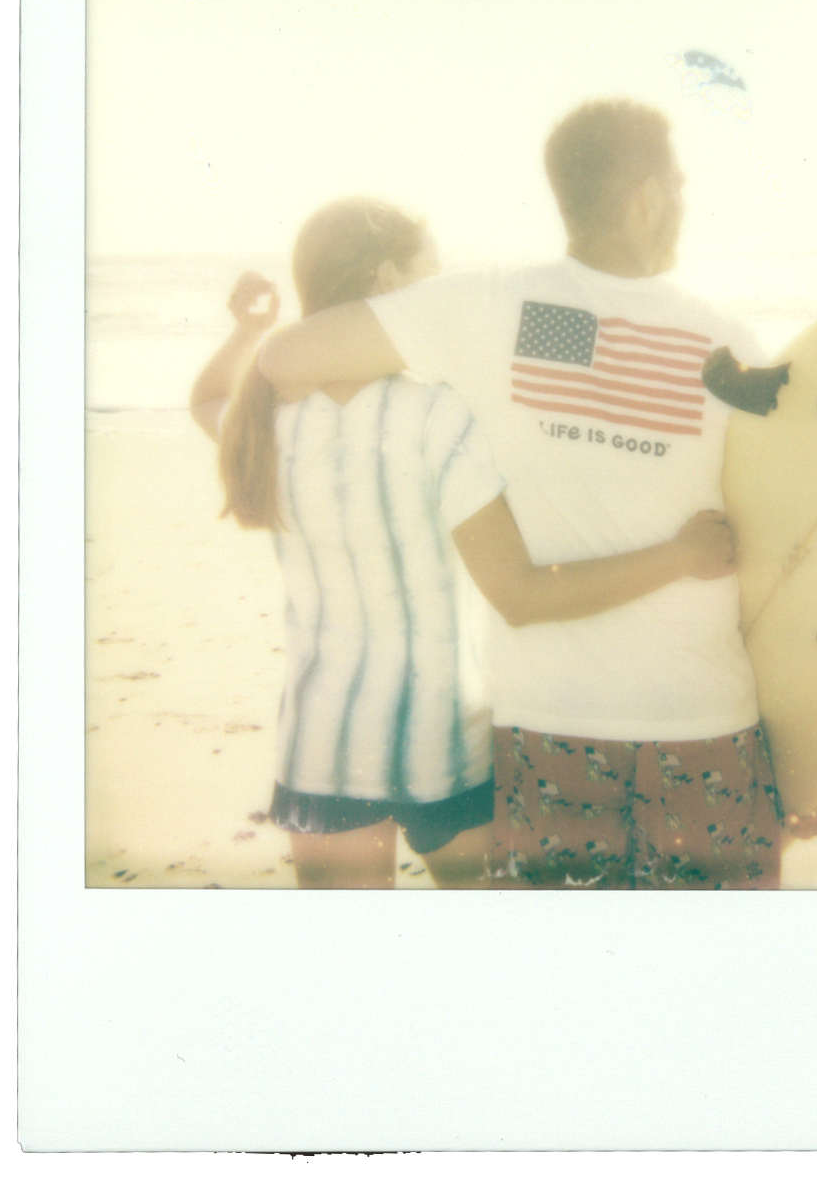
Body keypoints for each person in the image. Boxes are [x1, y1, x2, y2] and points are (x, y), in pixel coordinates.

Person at [256, 102, 817, 889]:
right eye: (680, 185)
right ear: (646, 198)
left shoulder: (490, 310)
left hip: (550, 737)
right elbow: (784, 547)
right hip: (704, 721)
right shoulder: (723, 340)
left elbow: (288, 356)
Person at [190, 197, 737, 889]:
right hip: (442, 742)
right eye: (433, 273)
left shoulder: (261, 422)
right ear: (390, 281)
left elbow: (206, 399)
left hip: (322, 744)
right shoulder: (440, 416)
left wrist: (249, 332)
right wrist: (680, 557)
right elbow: (521, 595)